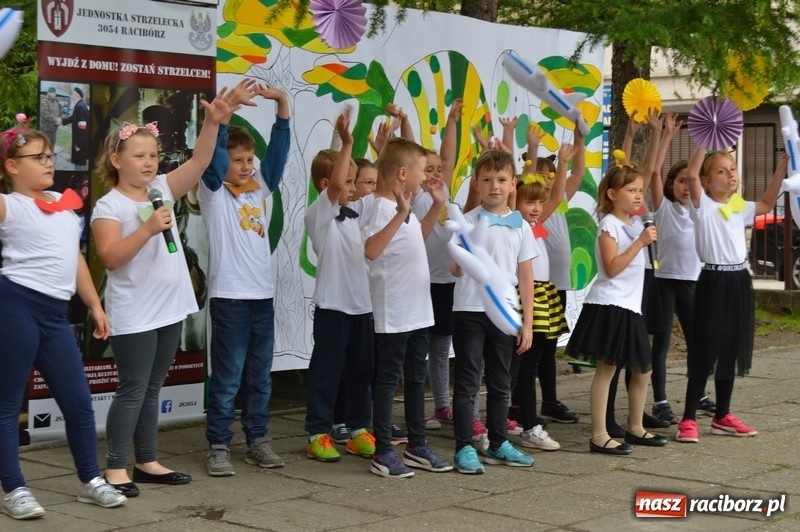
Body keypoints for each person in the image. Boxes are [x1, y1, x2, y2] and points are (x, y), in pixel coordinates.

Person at [91, 89, 231, 494]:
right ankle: (116, 467)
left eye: (152, 155)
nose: (149, 162)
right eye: (139, 156)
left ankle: (147, 460)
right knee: (132, 388)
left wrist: (212, 122)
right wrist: (149, 228)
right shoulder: (109, 207)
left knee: (154, 387)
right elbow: (112, 257)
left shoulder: (164, 189)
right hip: (135, 311)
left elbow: (201, 160)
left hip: (170, 307)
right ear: (117, 161)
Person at [0, 123, 126, 520]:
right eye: (37, 157)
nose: (48, 161)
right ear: (11, 167)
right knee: (5, 406)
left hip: (56, 315)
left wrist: (95, 305)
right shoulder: (10, 205)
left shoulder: (63, 203)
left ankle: (91, 481)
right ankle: (14, 488)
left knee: (79, 402)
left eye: (50, 155)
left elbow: (73, 260)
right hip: (15, 305)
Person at [199, 81, 290, 476]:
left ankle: (258, 441)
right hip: (230, 299)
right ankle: (219, 444)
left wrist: (283, 107)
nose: (246, 166)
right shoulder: (214, 192)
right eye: (239, 160)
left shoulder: (258, 189)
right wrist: (224, 119)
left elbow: (279, 157)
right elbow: (214, 161)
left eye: (250, 159)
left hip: (261, 298)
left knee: (259, 376)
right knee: (228, 378)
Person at [675, 146, 787, 443]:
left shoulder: (738, 206)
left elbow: (765, 203)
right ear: (708, 181)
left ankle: (722, 415)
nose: (729, 175)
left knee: (730, 348)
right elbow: (690, 175)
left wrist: (779, 170)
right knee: (705, 348)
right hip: (714, 279)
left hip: (739, 279)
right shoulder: (702, 205)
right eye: (721, 171)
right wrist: (704, 141)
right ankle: (687, 418)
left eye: (732, 169)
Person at [565, 150, 667, 455]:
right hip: (610, 304)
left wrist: (641, 238)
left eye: (640, 191)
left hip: (630, 306)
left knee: (643, 369)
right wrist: (639, 243)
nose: (638, 196)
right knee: (607, 369)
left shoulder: (634, 225)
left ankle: (635, 427)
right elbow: (610, 268)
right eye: (631, 190)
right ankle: (598, 435)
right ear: (612, 194)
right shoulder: (609, 225)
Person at [364, 137, 452, 478]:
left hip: (418, 309)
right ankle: (383, 450)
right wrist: (402, 212)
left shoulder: (404, 205)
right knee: (389, 380)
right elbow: (371, 249)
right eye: (420, 170)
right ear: (403, 173)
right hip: (395, 311)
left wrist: (432, 207)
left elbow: (417, 237)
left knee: (417, 378)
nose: (425, 176)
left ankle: (417, 445)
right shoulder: (380, 207)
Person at [450, 149, 536, 474]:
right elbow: (455, 268)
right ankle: (464, 447)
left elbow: (525, 276)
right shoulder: (467, 221)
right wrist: (461, 257)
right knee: (468, 381)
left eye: (501, 180)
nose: (494, 186)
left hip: (505, 313)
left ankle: (499, 442)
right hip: (469, 311)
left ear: (513, 184)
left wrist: (527, 322)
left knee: (501, 382)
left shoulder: (521, 227)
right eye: (487, 180)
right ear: (477, 183)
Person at [304, 110, 376, 463]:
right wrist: (347, 141)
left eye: (354, 182)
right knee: (327, 370)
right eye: (349, 182)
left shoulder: (357, 213)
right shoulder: (320, 213)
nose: (353, 188)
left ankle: (358, 428)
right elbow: (335, 184)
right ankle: (318, 432)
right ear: (326, 186)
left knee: (361, 369)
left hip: (361, 306)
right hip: (332, 307)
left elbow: (381, 187)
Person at [510, 140, 580, 452]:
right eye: (529, 203)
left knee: (533, 360)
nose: (537, 208)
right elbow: (522, 190)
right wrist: (530, 152)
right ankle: (526, 422)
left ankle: (523, 418)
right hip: (526, 297)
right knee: (524, 365)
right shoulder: (513, 223)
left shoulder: (536, 224)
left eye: (539, 203)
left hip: (544, 294)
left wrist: (564, 162)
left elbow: (554, 194)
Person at [417, 98, 462, 431]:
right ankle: (422, 409)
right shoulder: (416, 195)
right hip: (423, 283)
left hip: (449, 283)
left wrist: (451, 122)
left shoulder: (444, 190)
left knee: (443, 346)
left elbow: (447, 157)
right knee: (423, 348)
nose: (434, 174)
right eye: (427, 169)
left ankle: (444, 405)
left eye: (437, 170)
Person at [60, 87, 90, 171]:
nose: (71, 96)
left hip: (80, 143)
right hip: (80, 141)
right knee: (79, 162)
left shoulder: (80, 107)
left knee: (79, 163)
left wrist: (78, 144)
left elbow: (82, 128)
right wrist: (62, 121)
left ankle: (79, 179)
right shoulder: (79, 105)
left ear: (76, 95)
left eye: (72, 94)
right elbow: (73, 118)